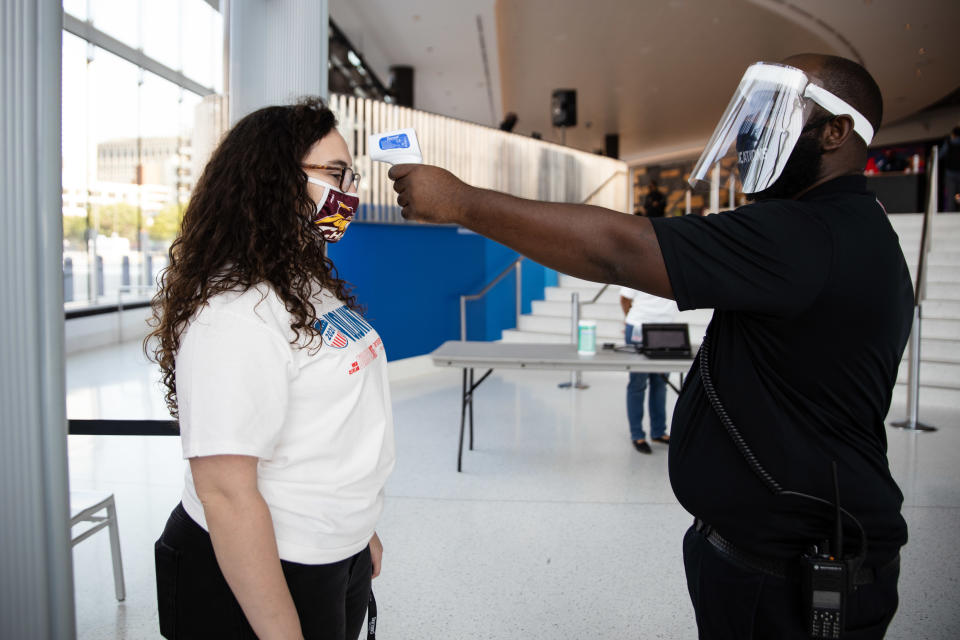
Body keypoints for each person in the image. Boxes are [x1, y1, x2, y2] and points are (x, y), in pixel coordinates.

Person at [388, 54, 910, 638]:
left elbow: (619, 250)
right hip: (776, 556)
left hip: (787, 577)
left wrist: (460, 201)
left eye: (779, 112)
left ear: (837, 131)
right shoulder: (842, 227)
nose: (753, 131)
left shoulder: (810, 233)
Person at [145, 98, 395, 640]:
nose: (348, 192)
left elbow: (337, 423)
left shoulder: (304, 279)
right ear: (274, 180)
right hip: (263, 569)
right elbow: (227, 492)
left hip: (334, 549)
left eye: (348, 174)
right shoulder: (233, 311)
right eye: (334, 173)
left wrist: (359, 530)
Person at [620, 287, 678, 453]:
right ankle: (637, 435)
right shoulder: (635, 265)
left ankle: (658, 432)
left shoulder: (674, 267)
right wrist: (629, 319)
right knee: (638, 384)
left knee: (661, 383)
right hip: (639, 327)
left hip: (666, 330)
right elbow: (625, 299)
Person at [938, 126, 960, 211]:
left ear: (953, 134)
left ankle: (951, 213)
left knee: (951, 195)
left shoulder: (949, 142)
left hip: (950, 173)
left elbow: (941, 155)